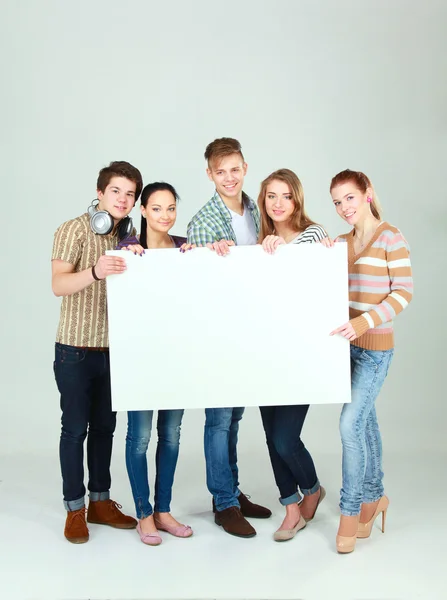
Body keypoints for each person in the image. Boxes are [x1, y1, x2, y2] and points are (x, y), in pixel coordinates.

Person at [322, 169, 413, 554]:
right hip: (346, 349)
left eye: (349, 198)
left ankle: (350, 509)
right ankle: (376, 498)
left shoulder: (391, 236)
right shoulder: (340, 243)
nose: (344, 207)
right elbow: (323, 286)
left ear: (368, 195)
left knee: (349, 425)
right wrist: (318, 256)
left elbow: (404, 293)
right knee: (365, 422)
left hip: (375, 349)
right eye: (337, 202)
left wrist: (363, 321)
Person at [51, 161, 142, 543]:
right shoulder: (73, 228)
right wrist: (95, 271)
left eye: (130, 194)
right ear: (100, 192)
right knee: (75, 430)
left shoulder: (130, 234)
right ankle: (75, 509)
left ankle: (100, 502)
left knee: (106, 428)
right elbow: (58, 284)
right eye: (116, 191)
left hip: (113, 351)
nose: (123, 199)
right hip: (75, 349)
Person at [187, 137, 272, 538]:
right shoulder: (204, 220)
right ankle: (223, 503)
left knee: (235, 418)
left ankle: (233, 493)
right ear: (209, 174)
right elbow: (197, 284)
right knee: (218, 420)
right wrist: (209, 256)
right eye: (220, 172)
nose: (229, 177)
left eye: (234, 169)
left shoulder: (256, 210)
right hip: (217, 335)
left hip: (250, 331)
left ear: (245, 167)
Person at [116, 182, 192, 545]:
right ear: (143, 210)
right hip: (140, 359)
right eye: (157, 208)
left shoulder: (184, 249)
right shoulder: (130, 249)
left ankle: (163, 510)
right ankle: (143, 514)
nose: (165, 216)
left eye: (171, 208)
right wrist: (128, 258)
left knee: (172, 435)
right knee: (140, 437)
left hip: (178, 357)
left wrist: (198, 261)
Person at [257, 169, 327, 541]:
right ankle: (290, 507)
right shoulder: (260, 241)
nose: (278, 203)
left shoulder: (313, 235)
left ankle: (312, 489)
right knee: (270, 436)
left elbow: (315, 286)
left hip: (303, 353)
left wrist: (281, 255)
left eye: (285, 195)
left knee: (286, 439)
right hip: (267, 352)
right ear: (264, 200)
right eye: (271, 196)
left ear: (296, 199)